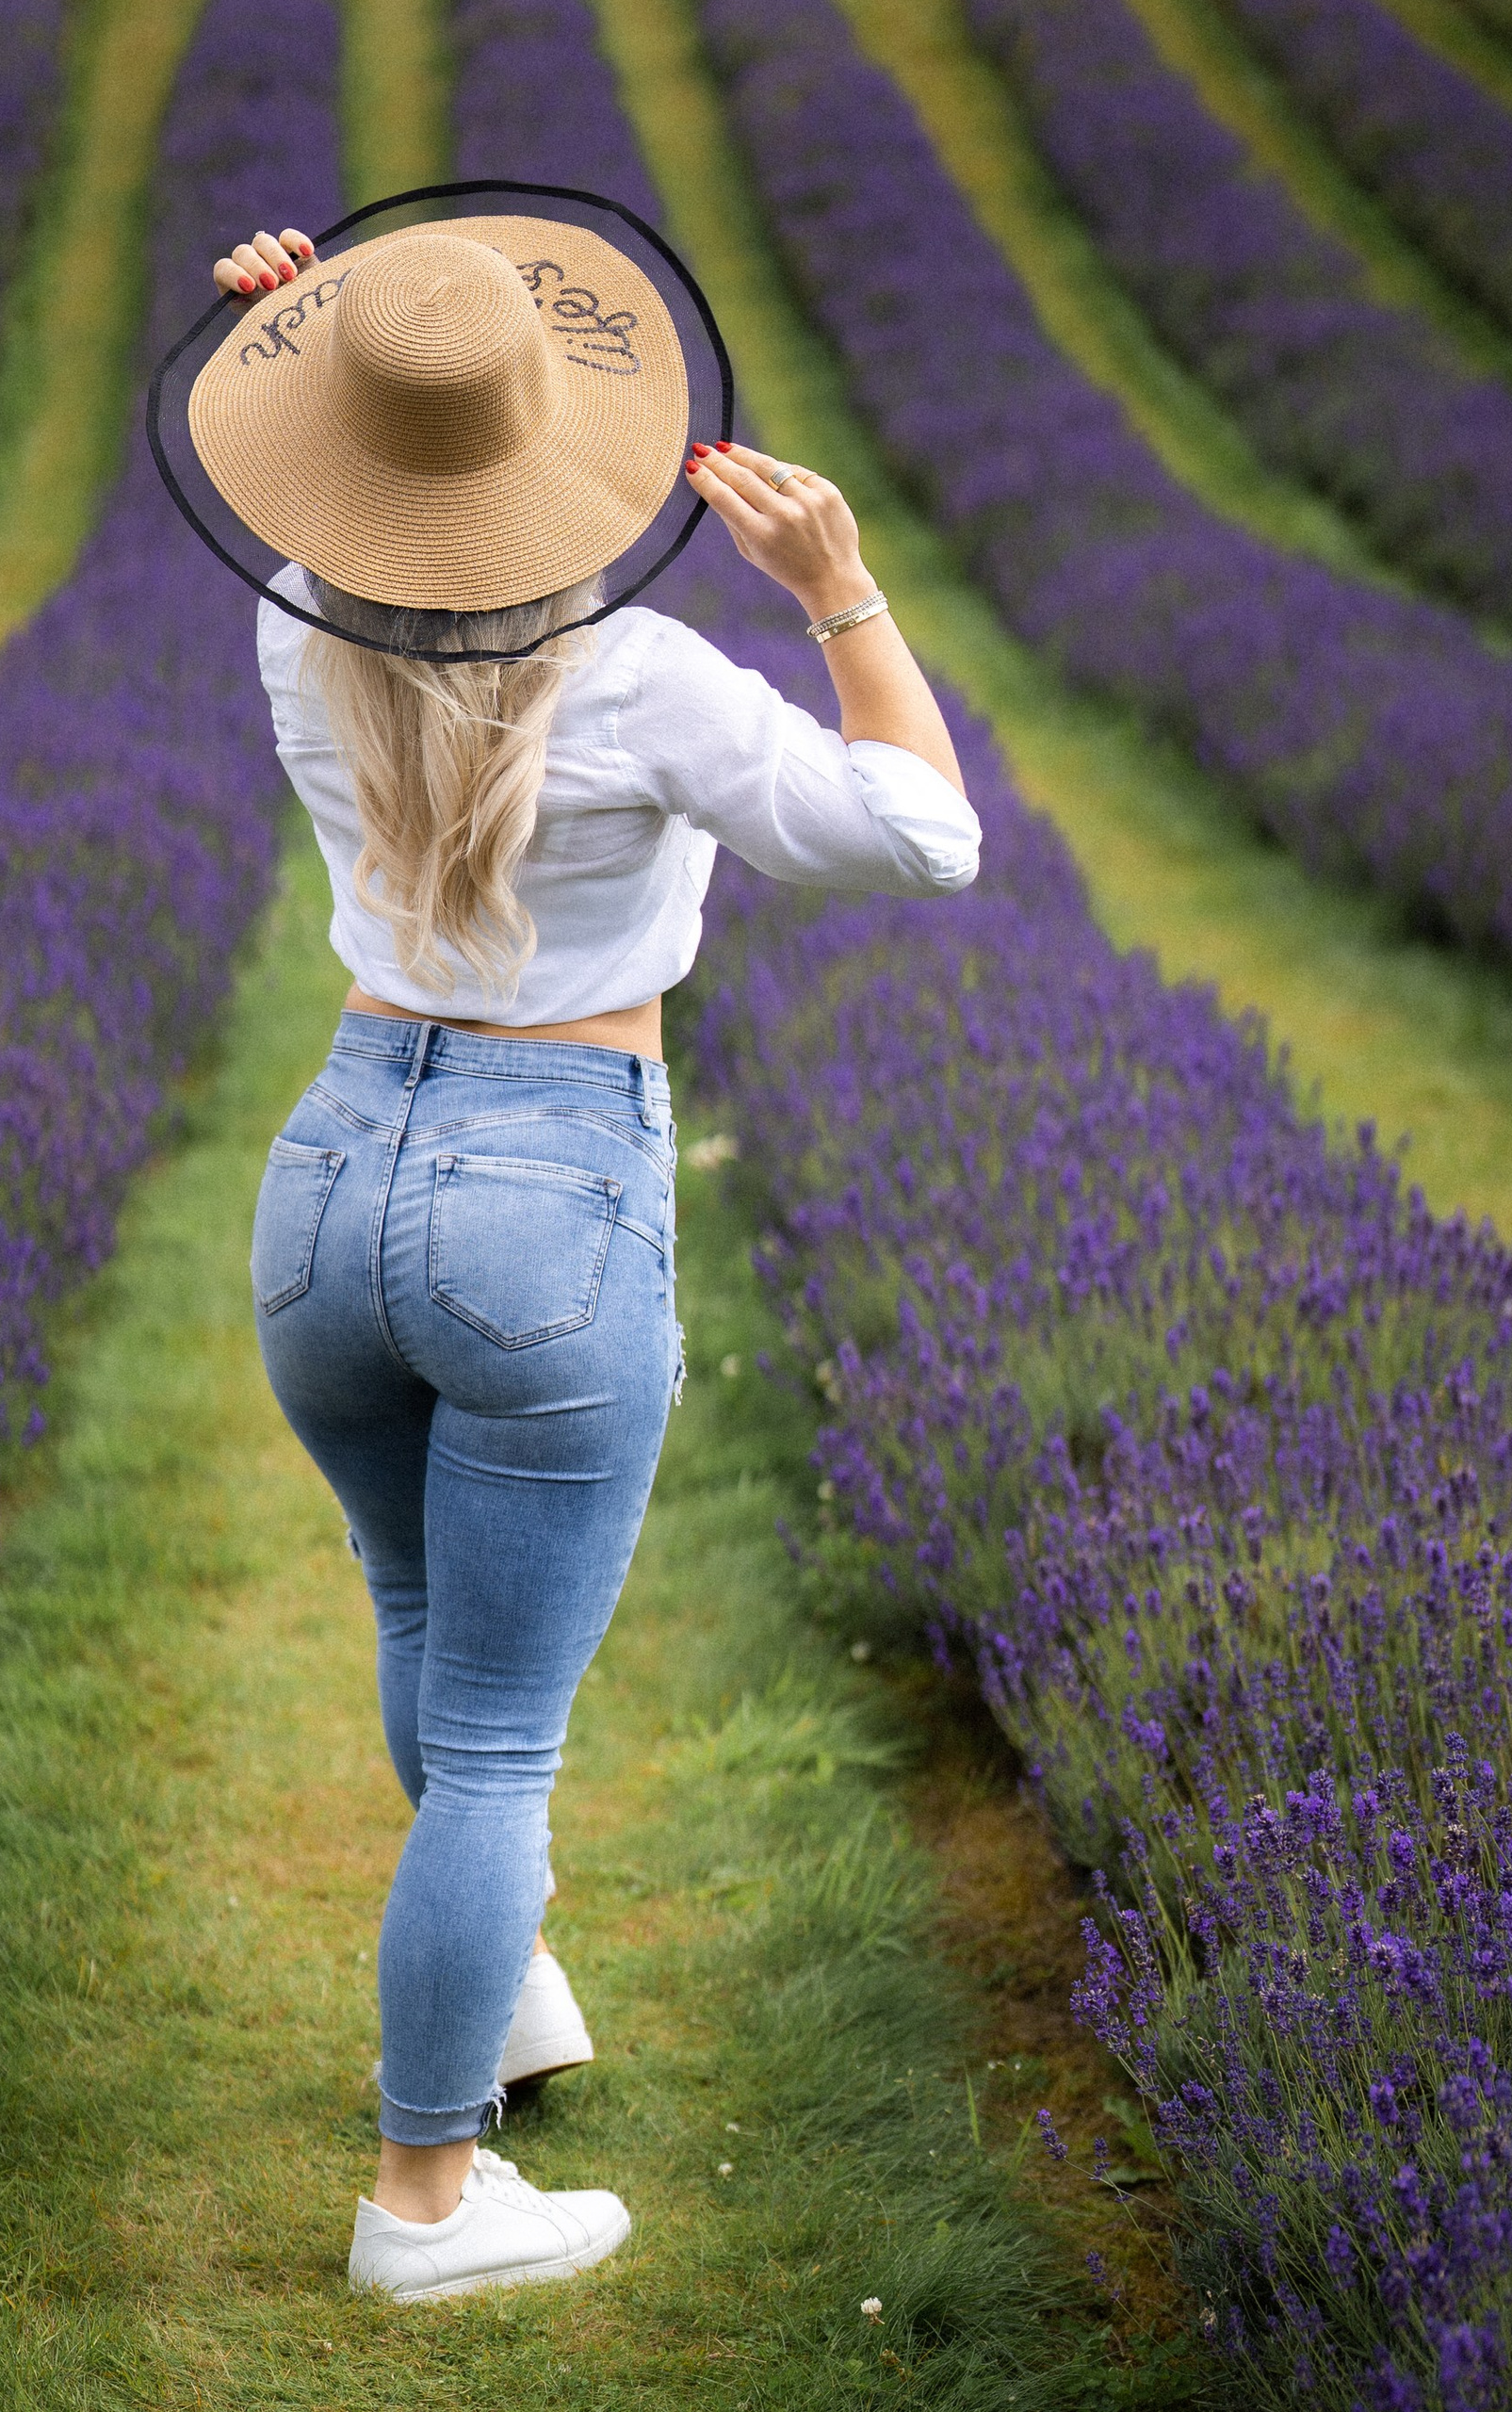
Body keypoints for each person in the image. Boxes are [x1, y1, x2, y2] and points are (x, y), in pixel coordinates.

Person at [188, 215, 978, 2304]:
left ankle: (503, 1997)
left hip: (332, 1163)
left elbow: (327, 490)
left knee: (419, 1617)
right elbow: (925, 831)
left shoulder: (294, 618)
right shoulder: (638, 676)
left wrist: (300, 331)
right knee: (502, 1735)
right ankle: (423, 2198)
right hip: (544, 1191)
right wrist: (842, 596)